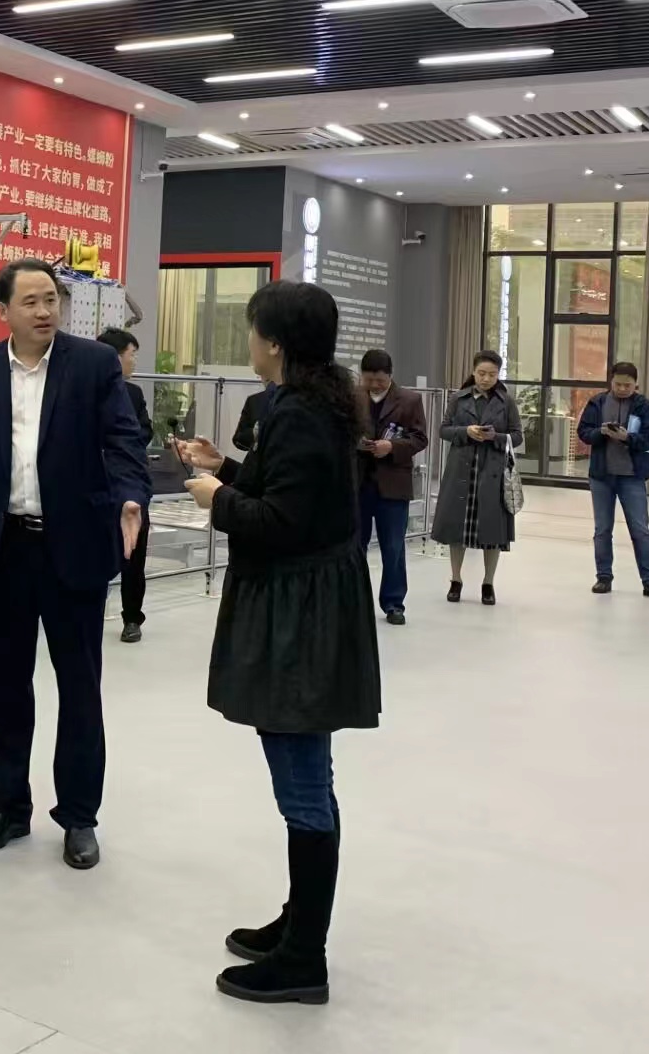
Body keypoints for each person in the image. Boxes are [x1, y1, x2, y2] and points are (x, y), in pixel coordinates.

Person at [176, 281, 380, 1007]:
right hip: (308, 602)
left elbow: (281, 523)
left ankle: (303, 958)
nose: (250, 343)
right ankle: (300, 921)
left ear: (277, 343)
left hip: (301, 614)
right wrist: (227, 469)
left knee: (302, 781)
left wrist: (217, 500)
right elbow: (294, 497)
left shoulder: (296, 413)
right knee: (306, 774)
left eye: (254, 330)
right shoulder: (313, 404)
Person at [0, 259, 150, 871]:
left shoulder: (93, 364)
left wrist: (129, 497)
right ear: (3, 311)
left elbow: (123, 439)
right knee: (5, 689)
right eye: (31, 301)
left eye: (52, 300)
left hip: (74, 546)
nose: (45, 311)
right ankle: (9, 807)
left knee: (79, 688)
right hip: (7, 547)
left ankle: (79, 816)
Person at [431, 351, 522, 604]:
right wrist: (465, 431)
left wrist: (495, 437)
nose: (486, 379)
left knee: (492, 530)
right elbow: (443, 430)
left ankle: (488, 583)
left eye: (492, 374)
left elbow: (517, 436)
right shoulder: (459, 398)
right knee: (456, 528)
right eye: (481, 373)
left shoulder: (506, 402)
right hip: (461, 469)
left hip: (492, 472)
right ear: (473, 372)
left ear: (498, 375)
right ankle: (456, 579)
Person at [577, 362, 649, 600]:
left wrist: (627, 437)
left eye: (627, 385)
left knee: (640, 530)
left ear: (636, 384)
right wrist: (601, 433)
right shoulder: (597, 402)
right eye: (618, 384)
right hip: (601, 476)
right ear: (611, 381)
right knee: (602, 529)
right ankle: (603, 577)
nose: (622, 389)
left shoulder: (645, 406)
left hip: (632, 477)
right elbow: (583, 433)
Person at [353, 350, 426, 626]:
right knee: (354, 546)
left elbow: (420, 438)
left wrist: (392, 447)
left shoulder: (409, 400)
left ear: (390, 376)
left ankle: (394, 603)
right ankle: (354, 601)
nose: (374, 385)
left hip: (393, 485)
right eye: (368, 380)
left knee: (393, 547)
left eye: (380, 381)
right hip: (358, 483)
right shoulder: (352, 398)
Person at [97, 328, 154, 643]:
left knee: (135, 554)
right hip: (96, 484)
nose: (134, 361)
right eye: (131, 354)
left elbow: (144, 431)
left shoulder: (133, 394)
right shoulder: (84, 391)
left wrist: (125, 442)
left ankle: (132, 617)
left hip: (130, 481)